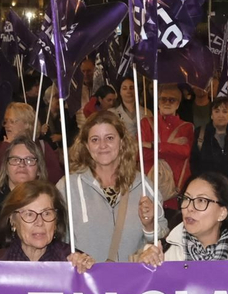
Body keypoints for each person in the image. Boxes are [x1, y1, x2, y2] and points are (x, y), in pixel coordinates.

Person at [58, 110, 164, 263]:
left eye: (109, 138)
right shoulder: (68, 187)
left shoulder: (143, 185)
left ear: (121, 141)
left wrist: (149, 226)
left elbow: (160, 237)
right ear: (86, 146)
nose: (103, 146)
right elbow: (58, 241)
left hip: (132, 283)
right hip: (86, 282)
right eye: (95, 140)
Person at [140, 85, 195, 214]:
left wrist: (153, 145)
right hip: (149, 188)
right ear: (157, 101)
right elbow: (140, 154)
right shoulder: (146, 123)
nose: (167, 103)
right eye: (163, 99)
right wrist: (172, 147)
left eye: (172, 100)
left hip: (176, 192)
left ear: (178, 104)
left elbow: (185, 152)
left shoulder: (186, 127)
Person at [0, 102, 63, 186]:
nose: (7, 126)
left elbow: (56, 179)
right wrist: (5, 147)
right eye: (5, 121)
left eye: (12, 121)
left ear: (27, 123)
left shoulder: (42, 147)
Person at [190, 97, 228, 179]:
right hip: (208, 185)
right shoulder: (200, 134)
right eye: (217, 111)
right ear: (211, 115)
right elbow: (194, 162)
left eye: (225, 111)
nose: (221, 115)